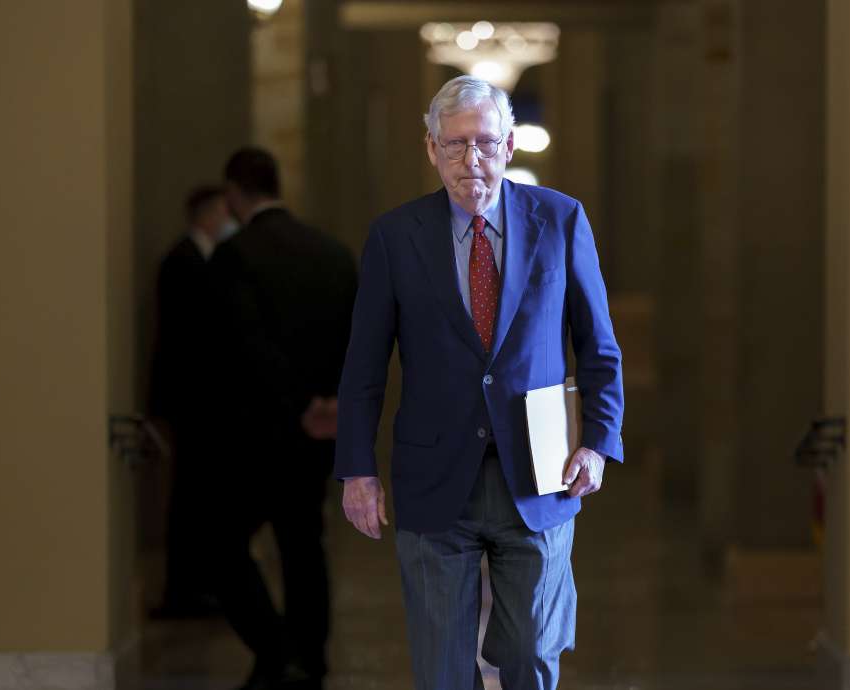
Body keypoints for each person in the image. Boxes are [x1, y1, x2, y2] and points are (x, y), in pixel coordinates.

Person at [335, 75, 625, 689]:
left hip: (540, 475)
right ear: (431, 148)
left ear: (509, 145)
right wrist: (358, 470)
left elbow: (598, 347)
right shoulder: (395, 237)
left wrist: (598, 444)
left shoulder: (560, 220)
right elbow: (363, 366)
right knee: (441, 670)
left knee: (529, 653)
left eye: (486, 143)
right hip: (435, 478)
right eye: (455, 144)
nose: (472, 159)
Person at [206, 147, 357, 690]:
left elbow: (243, 345)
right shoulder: (333, 253)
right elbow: (357, 337)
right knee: (303, 543)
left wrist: (297, 403)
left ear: (233, 192)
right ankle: (309, 659)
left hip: (254, 429)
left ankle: (276, 651)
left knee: (221, 544)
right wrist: (331, 400)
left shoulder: (234, 256)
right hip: (320, 429)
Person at [147, 185, 236, 618]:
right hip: (191, 399)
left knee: (199, 495)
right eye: (222, 211)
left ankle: (198, 585)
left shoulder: (199, 258)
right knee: (189, 497)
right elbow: (187, 338)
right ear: (207, 213)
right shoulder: (182, 261)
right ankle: (183, 590)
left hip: (200, 399)